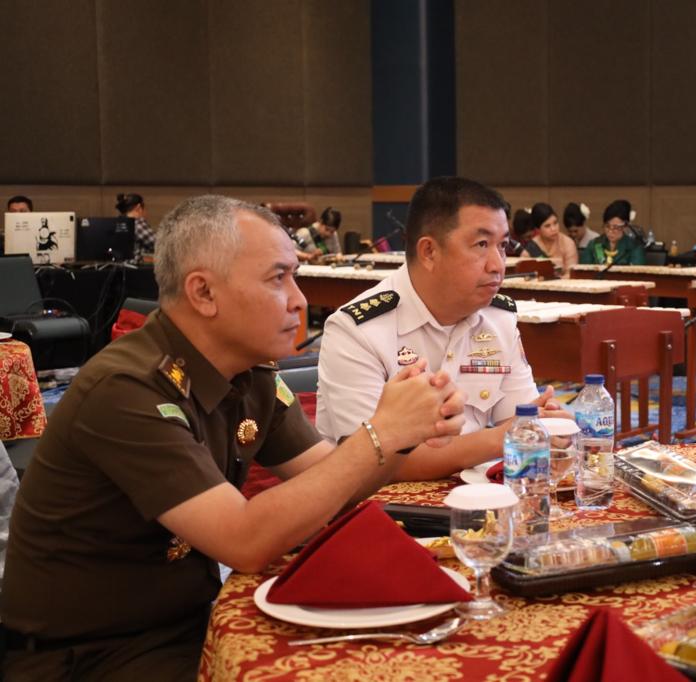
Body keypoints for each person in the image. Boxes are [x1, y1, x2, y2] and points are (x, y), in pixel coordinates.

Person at [0, 195, 465, 681]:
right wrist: (381, 432)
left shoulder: (249, 373)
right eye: (277, 278)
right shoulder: (126, 388)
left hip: (191, 621)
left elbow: (331, 478)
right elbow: (243, 539)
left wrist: (406, 432)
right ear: (202, 293)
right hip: (89, 655)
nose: (300, 300)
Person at [317, 176, 568, 481]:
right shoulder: (357, 330)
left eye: (502, 246)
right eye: (481, 244)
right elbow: (373, 461)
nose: (498, 264)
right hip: (382, 510)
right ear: (429, 252)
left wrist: (547, 427)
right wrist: (501, 438)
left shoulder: (498, 318)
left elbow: (521, 417)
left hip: (476, 500)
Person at [580, 199, 646, 266]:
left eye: (616, 227)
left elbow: (636, 274)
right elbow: (583, 271)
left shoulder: (634, 248)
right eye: (607, 226)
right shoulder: (595, 244)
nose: (610, 231)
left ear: (625, 226)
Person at [529, 202, 578, 275]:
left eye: (555, 223)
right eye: (547, 226)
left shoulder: (568, 243)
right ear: (538, 229)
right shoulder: (531, 247)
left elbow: (571, 274)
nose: (553, 229)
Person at [116, 192, 156, 264]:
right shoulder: (137, 223)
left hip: (120, 268)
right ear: (138, 207)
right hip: (134, 271)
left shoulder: (119, 223)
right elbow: (157, 244)